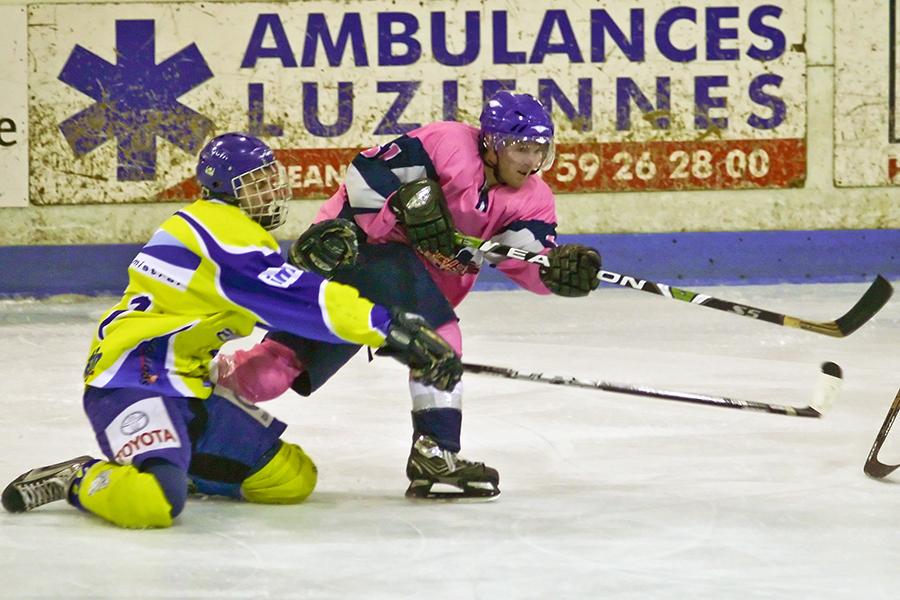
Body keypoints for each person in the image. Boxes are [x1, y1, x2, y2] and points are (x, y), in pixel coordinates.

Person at [1, 133, 462, 529]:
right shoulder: (215, 232)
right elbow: (292, 301)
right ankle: (80, 477)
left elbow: (270, 296)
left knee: (290, 477)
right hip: (132, 378)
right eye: (255, 186)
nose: (269, 194)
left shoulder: (233, 232)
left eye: (269, 182)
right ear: (224, 190)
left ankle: (178, 459)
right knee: (156, 502)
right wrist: (388, 328)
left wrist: (309, 280)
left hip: (191, 383)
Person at [213, 91, 602, 500]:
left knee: (272, 373)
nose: (530, 160)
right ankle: (435, 452)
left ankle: (194, 386)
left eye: (539, 149)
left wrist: (554, 272)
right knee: (439, 335)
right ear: (490, 143)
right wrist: (400, 204)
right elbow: (366, 172)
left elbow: (521, 256)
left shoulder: (533, 198)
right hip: (356, 253)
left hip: (405, 283)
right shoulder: (448, 143)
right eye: (520, 147)